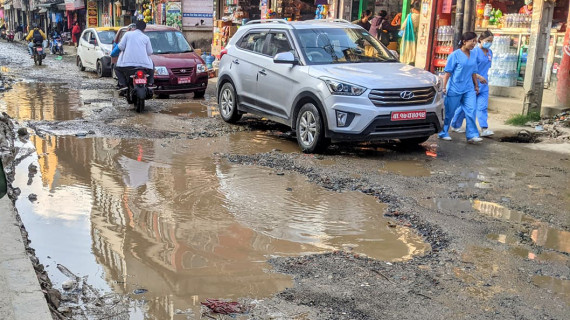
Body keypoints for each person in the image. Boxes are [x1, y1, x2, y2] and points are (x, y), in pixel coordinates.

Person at [438, 32, 483, 144]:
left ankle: (472, 135)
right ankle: (443, 132)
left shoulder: (473, 55)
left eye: (475, 41)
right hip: (454, 87)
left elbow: (473, 71)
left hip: (468, 88)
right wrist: (444, 87)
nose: (474, 43)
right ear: (464, 41)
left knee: (471, 110)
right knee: (449, 112)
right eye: (472, 41)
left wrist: (476, 86)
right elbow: (447, 72)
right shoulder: (455, 55)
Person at [451, 30, 495, 137]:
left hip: (484, 84)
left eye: (491, 41)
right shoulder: (473, 52)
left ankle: (484, 128)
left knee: (482, 107)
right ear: (480, 40)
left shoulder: (490, 53)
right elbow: (470, 68)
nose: (489, 43)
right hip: (472, 82)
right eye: (488, 40)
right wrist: (478, 77)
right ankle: (455, 124)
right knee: (465, 107)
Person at [115, 20, 154, 89]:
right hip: (144, 66)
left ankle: (123, 84)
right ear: (144, 29)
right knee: (152, 66)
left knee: (116, 68)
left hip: (127, 65)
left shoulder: (127, 34)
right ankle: (150, 83)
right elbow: (150, 52)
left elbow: (120, 47)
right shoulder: (146, 38)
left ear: (136, 27)